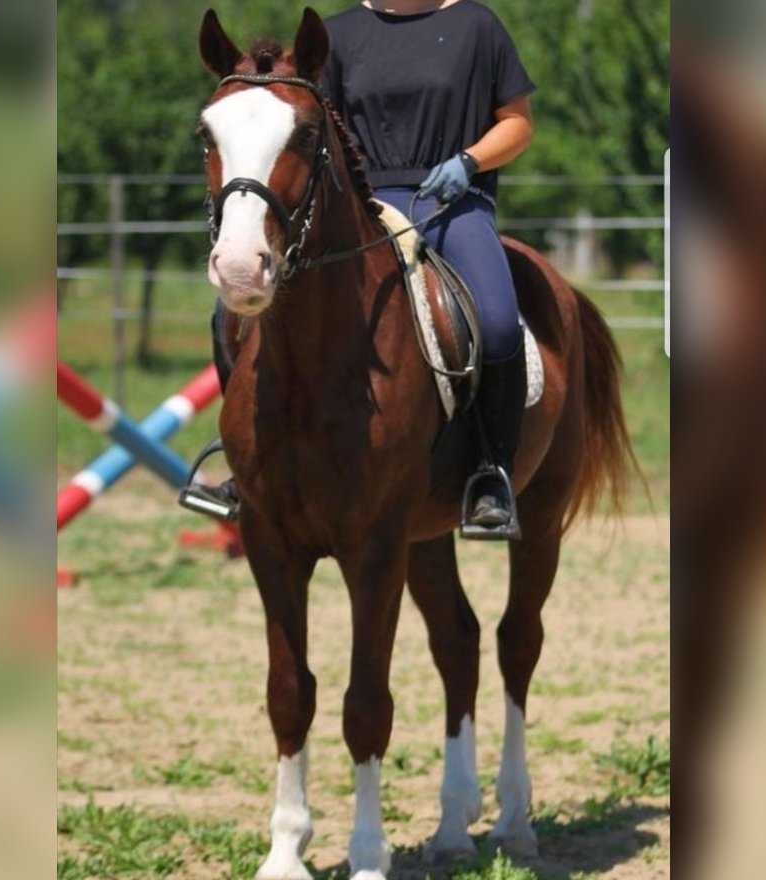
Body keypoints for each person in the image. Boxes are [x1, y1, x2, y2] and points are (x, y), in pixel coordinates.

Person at [182, 0, 536, 539]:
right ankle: (245, 463)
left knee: (496, 321)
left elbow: (517, 124)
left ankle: (491, 473)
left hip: (451, 201)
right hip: (361, 204)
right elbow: (310, 128)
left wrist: (468, 162)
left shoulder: (476, 25)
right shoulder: (337, 33)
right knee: (227, 316)